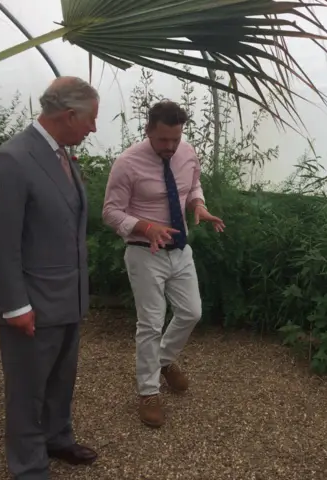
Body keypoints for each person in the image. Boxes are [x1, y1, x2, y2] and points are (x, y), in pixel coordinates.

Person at [0, 77, 100, 479]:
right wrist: (15, 304)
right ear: (68, 116)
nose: (93, 128)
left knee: (61, 379)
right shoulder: (11, 160)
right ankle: (29, 467)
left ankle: (57, 438)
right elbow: (1, 243)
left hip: (67, 297)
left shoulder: (61, 155)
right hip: (31, 302)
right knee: (27, 390)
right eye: (91, 120)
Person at [102, 99, 225, 428]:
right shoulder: (127, 163)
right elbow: (111, 212)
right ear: (148, 132)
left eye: (176, 138)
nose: (171, 146)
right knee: (151, 323)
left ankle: (164, 360)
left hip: (180, 249)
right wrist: (145, 226)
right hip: (145, 253)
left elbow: (192, 185)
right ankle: (148, 391)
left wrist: (198, 205)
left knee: (191, 312)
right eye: (163, 140)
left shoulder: (187, 152)